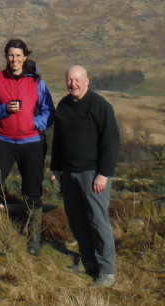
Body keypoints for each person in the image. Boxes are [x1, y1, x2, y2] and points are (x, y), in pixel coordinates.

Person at [0, 39, 55, 256]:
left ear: (25, 57)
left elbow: (49, 110)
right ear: (6, 56)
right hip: (3, 141)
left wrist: (35, 124)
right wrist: (3, 109)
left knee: (33, 191)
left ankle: (34, 240)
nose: (14, 60)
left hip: (31, 142)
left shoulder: (36, 82)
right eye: (11, 55)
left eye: (18, 56)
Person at [51, 65, 119, 288]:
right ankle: (88, 260)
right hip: (69, 174)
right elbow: (59, 142)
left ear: (87, 81)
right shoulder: (63, 106)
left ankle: (107, 270)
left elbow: (111, 143)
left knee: (98, 221)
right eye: (70, 80)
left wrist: (104, 174)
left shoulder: (100, 106)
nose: (74, 84)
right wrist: (56, 169)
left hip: (93, 174)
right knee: (77, 219)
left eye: (78, 80)